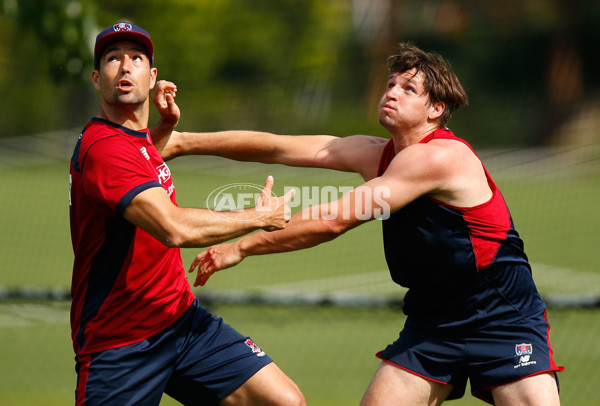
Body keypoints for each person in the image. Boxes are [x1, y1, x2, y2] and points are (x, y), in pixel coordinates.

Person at [156, 42, 564, 405]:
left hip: (502, 318)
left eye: (408, 89)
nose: (392, 93)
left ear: (436, 110)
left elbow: (333, 220)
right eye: (391, 84)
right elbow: (279, 147)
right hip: (433, 322)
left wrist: (241, 245)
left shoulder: (440, 158)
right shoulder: (377, 154)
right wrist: (184, 142)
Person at [68, 21, 305, 406]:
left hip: (181, 321)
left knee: (284, 401)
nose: (125, 67)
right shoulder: (105, 149)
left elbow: (162, 153)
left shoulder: (139, 139)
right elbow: (173, 228)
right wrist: (257, 216)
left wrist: (165, 125)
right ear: (97, 79)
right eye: (113, 59)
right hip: (121, 345)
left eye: (137, 58)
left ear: (153, 77)